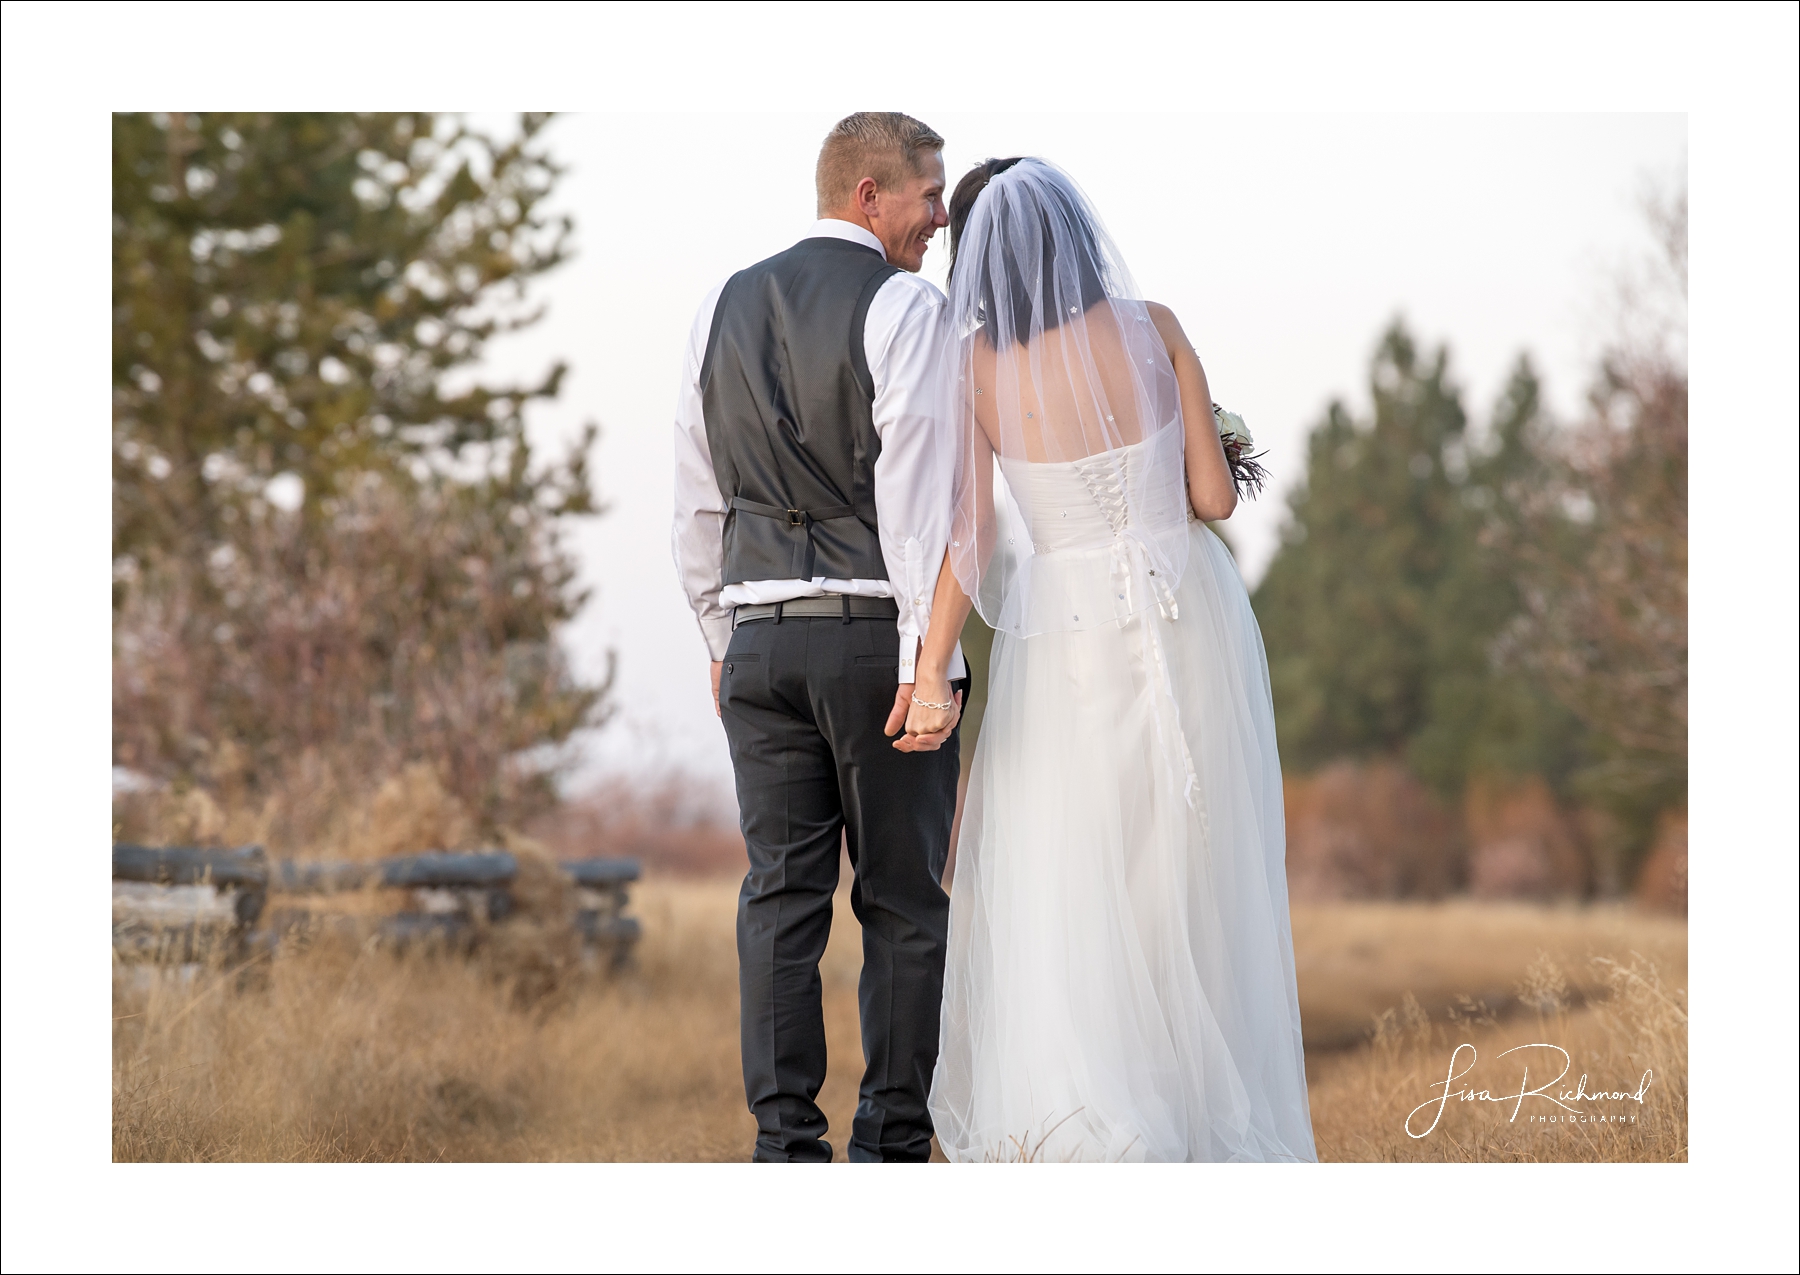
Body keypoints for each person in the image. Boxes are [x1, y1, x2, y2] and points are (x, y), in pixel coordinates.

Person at [899, 157, 1318, 1161]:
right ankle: (1203, 1099)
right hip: (1190, 616)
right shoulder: (1156, 327)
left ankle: (1099, 1113)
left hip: (1071, 632)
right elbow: (1213, 502)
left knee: (1078, 861)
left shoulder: (982, 370)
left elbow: (970, 533)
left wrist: (930, 671)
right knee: (1193, 858)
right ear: (1080, 238)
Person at [671, 112, 968, 1163]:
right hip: (873, 644)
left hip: (756, 644)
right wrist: (928, 667)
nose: (942, 217)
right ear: (868, 196)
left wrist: (720, 634)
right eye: (929, 196)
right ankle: (889, 1148)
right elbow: (924, 499)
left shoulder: (721, 303)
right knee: (900, 904)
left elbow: (696, 493)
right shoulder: (905, 306)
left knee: (780, 903)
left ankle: (784, 1150)